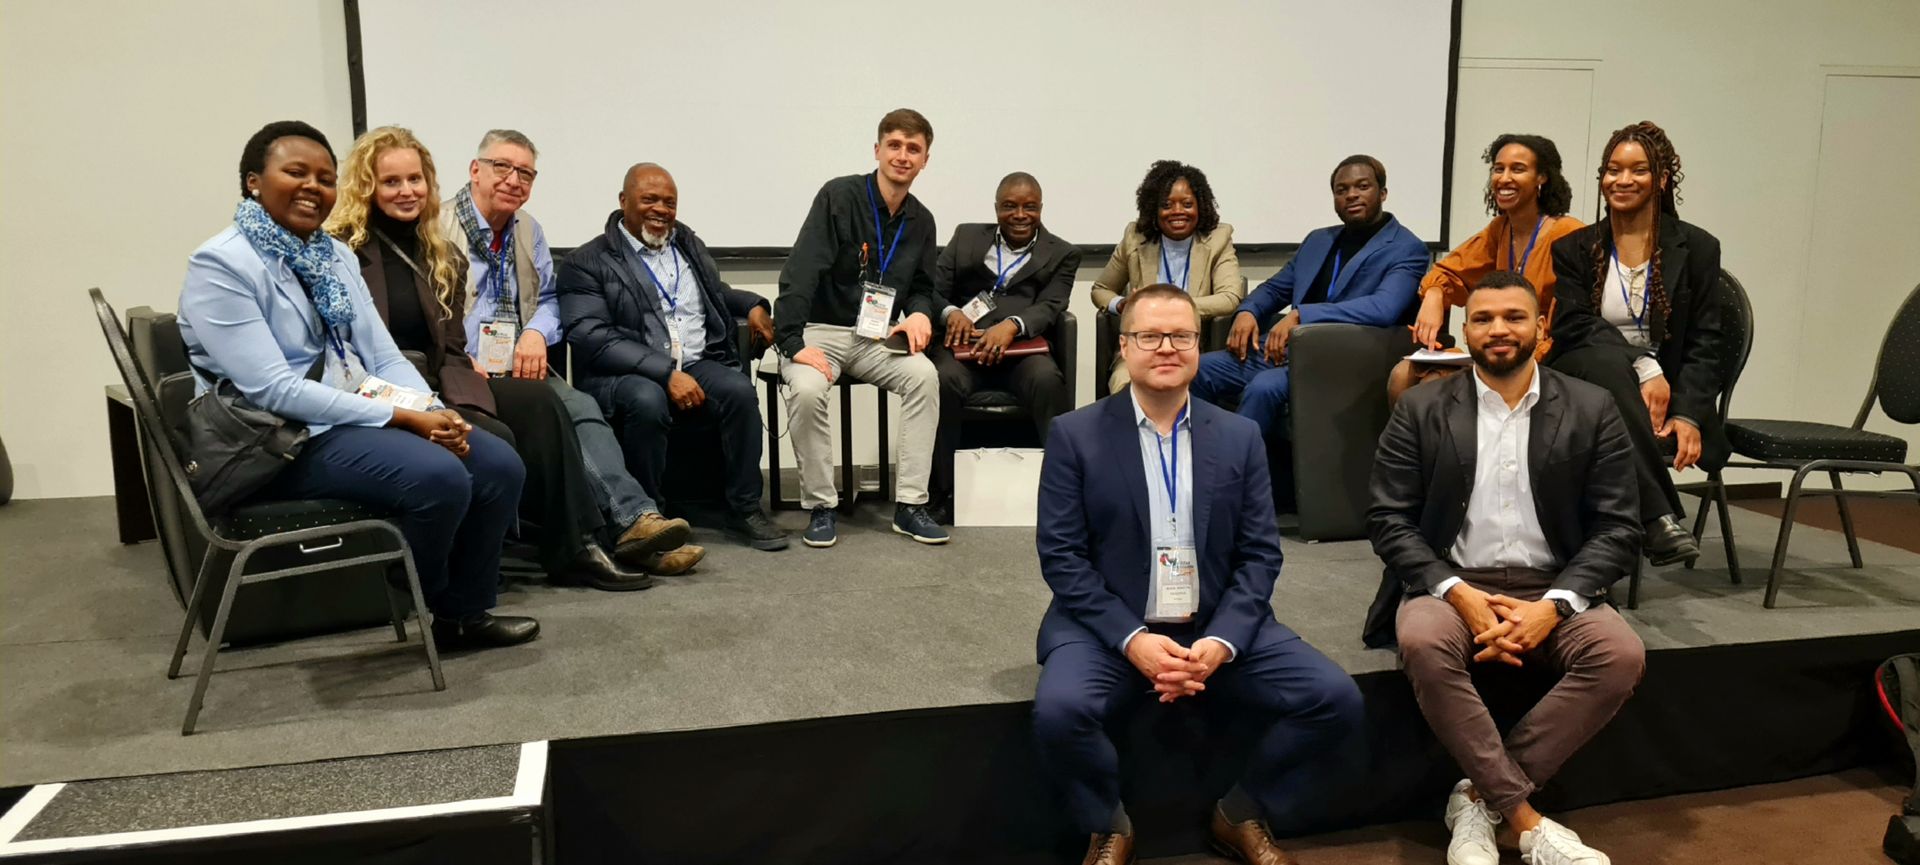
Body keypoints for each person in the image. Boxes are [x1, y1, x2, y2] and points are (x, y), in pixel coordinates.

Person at [1033, 285, 1363, 865]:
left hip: (1213, 620)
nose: (1166, 347)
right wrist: (1133, 640)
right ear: (1124, 345)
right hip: (1109, 625)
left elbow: (1260, 555)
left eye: (1181, 336)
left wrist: (1222, 640)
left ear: (1196, 344)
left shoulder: (1239, 436)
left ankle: (1240, 812)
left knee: (1335, 699)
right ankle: (1107, 823)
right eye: (1149, 336)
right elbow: (1062, 558)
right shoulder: (1074, 435)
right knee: (1061, 712)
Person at [178, 120, 536, 649]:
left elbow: (381, 355)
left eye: (325, 178)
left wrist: (434, 410)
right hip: (277, 441)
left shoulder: (333, 255)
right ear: (254, 180)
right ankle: (409, 581)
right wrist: (403, 418)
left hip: (346, 416)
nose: (312, 187)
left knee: (499, 464)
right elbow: (272, 389)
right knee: (440, 478)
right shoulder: (222, 265)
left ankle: (463, 615)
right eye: (295, 173)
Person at [1366, 271, 1645, 865]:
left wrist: (1555, 606)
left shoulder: (1592, 408)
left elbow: (1620, 527)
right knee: (1421, 643)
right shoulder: (1421, 408)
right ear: (1464, 331)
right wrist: (1459, 594)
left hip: (1555, 585)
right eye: (1483, 318)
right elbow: (1388, 520)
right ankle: (1524, 818)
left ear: (1540, 328)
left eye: (1514, 317)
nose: (1498, 330)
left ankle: (1477, 799)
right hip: (1451, 582)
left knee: (1618, 655)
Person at [326, 127, 656, 591]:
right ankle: (471, 570)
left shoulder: (435, 249)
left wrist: (522, 343)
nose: (407, 191)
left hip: (444, 374)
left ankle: (576, 547)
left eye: (415, 180)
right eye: (391, 182)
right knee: (496, 434)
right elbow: (349, 351)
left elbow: (455, 336)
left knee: (542, 402)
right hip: (382, 387)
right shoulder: (342, 250)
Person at [443, 129, 705, 578]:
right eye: (502, 167)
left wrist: (534, 336)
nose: (513, 180)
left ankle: (637, 521)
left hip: (518, 365)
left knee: (580, 406)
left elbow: (548, 301)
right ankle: (619, 535)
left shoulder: (528, 230)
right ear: (475, 170)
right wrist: (459, 355)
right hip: (457, 369)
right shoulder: (436, 228)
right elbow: (423, 313)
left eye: (525, 172)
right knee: (548, 411)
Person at [559, 163, 789, 551]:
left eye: (669, 202)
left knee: (738, 392)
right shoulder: (588, 262)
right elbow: (591, 336)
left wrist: (752, 304)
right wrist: (665, 374)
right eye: (649, 199)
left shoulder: (686, 244)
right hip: (619, 372)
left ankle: (744, 508)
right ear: (623, 202)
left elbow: (715, 291)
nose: (660, 209)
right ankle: (647, 518)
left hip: (694, 360)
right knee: (646, 401)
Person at [1546, 121, 1727, 567]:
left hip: (1659, 398)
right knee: (1608, 367)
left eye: (1638, 170)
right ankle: (1657, 517)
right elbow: (1572, 324)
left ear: (1661, 179)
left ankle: (1605, 550)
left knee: (1611, 399)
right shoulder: (1575, 247)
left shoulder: (1698, 248)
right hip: (1581, 373)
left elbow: (1707, 341)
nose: (1622, 180)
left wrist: (1688, 413)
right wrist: (1645, 366)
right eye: (1612, 170)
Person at [773, 108, 948, 548]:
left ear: (925, 159)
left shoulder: (922, 221)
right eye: (894, 145)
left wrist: (922, 312)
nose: (903, 156)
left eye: (914, 149)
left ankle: (910, 505)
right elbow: (803, 269)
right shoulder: (839, 196)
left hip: (874, 336)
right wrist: (791, 341)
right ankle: (820, 506)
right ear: (877, 150)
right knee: (809, 389)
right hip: (820, 330)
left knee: (924, 377)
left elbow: (924, 286)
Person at [1191, 155, 1427, 439]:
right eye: (1341, 190)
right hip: (1284, 352)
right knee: (1197, 368)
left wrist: (1302, 314)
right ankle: (1200, 461)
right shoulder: (1318, 240)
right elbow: (1276, 288)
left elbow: (1383, 307)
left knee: (1264, 388)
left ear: (1383, 193)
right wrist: (1248, 311)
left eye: (1362, 186)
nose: (1351, 194)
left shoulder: (1406, 248)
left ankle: (1231, 474)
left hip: (1342, 358)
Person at [925, 171, 1080, 522]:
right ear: (996, 208)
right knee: (939, 381)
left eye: (1030, 207)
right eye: (1010, 206)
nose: (1020, 215)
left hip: (1022, 352)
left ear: (1041, 208)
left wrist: (1011, 326)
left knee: (1047, 381)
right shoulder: (965, 237)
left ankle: (1063, 493)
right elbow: (932, 290)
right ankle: (941, 493)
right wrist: (951, 314)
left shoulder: (1062, 253)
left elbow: (1052, 304)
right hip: (963, 348)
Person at [1388, 135, 1585, 403]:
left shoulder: (1568, 233)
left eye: (1517, 169)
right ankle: (1407, 446)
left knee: (1435, 383)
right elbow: (1451, 270)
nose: (1504, 178)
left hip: (1543, 354)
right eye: (1498, 168)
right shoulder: (1500, 230)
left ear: (1542, 177)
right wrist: (1434, 295)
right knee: (1404, 374)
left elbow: (1570, 324)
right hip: (1497, 347)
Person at [1090, 160, 1244, 394]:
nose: (1178, 212)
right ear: (1154, 208)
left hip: (1193, 349)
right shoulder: (1135, 237)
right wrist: (1121, 304)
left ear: (1200, 206)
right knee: (1124, 385)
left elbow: (1230, 297)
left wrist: (1172, 308)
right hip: (1143, 346)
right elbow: (1101, 289)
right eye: (1167, 205)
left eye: (1187, 204)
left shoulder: (1217, 239)